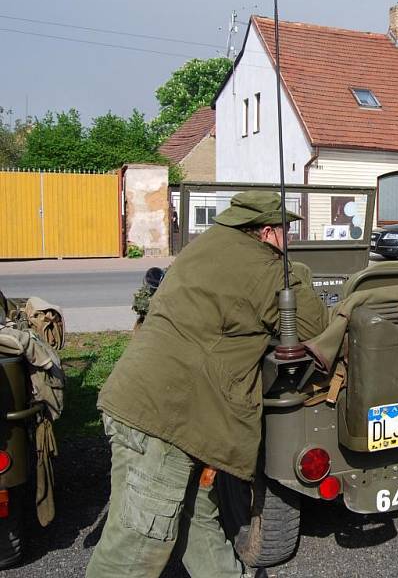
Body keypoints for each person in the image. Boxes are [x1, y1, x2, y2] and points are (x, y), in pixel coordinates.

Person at [86, 191, 328, 578]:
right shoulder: (267, 270)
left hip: (146, 401)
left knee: (196, 518)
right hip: (166, 421)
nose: (290, 240)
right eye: (287, 233)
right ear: (267, 232)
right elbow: (315, 329)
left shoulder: (205, 247)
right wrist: (292, 271)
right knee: (137, 545)